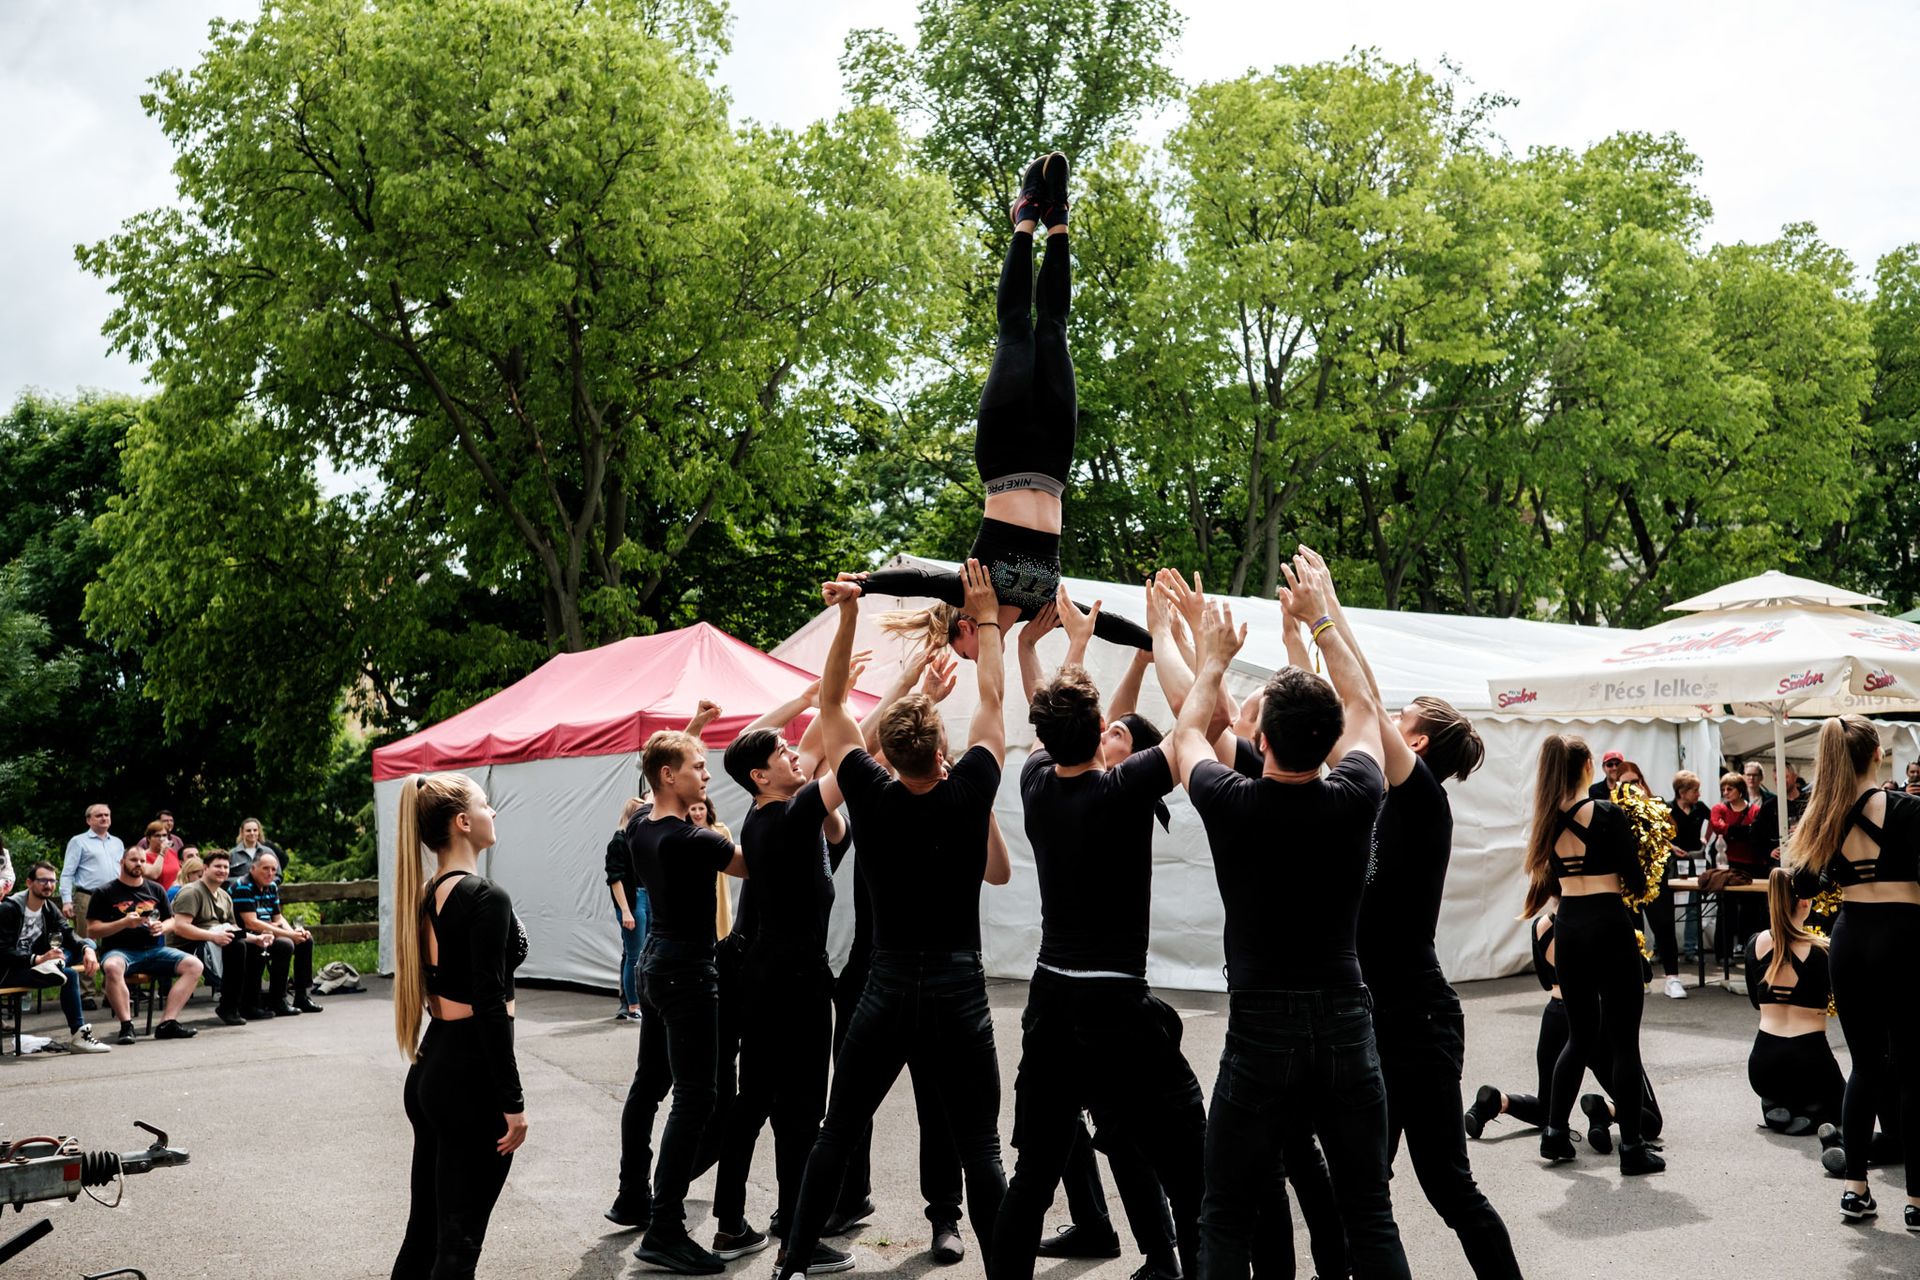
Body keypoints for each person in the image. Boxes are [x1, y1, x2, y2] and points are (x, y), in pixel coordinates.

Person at [1167, 554, 1413, 1279]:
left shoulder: (1230, 801)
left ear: (1263, 742)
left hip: (1261, 1024)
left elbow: (1187, 735)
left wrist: (1213, 658)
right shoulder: (1358, 791)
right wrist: (1320, 620)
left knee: (1224, 1215)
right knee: (1370, 1213)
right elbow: (1363, 703)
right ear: (1328, 740)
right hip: (1344, 1018)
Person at [773, 561, 1012, 1280]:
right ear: (942, 753)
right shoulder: (971, 787)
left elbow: (832, 708)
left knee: (837, 1131)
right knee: (982, 1150)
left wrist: (848, 615)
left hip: (887, 986)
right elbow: (993, 697)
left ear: (892, 756)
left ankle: (790, 1266)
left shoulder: (870, 793)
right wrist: (988, 618)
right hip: (958, 989)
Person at [832, 156, 1149, 661]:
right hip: (1053, 462)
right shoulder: (1038, 607)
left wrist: (864, 584)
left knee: (1016, 330)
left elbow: (920, 580)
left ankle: (1025, 218)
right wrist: (1156, 642)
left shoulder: (973, 589)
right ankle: (1058, 219)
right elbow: (1101, 624)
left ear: (961, 628)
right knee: (1054, 330)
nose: (977, 654)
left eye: (965, 652)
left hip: (1004, 456)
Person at [990, 588, 1206, 1280]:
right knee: (1184, 1164)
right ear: (1100, 729)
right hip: (1115, 1005)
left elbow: (1049, 718)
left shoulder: (1033, 781)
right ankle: (1181, 1262)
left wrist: (1074, 649)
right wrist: (1180, 639)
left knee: (1035, 1172)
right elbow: (1195, 723)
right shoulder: (1125, 788)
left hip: (1052, 999)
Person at [818, 655, 971, 1264]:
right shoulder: (869, 793)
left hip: (930, 967)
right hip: (866, 967)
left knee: (938, 1098)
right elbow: (853, 740)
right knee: (850, 1097)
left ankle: (945, 1215)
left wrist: (921, 699)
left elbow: (875, 739)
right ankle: (848, 1196)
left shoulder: (944, 798)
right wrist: (912, 689)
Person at [713, 662, 865, 1266]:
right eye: (781, 752)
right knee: (799, 1112)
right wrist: (902, 689)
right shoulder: (790, 812)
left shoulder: (768, 812)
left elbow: (792, 747)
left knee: (755, 1102)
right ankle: (795, 1242)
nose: (793, 753)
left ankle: (734, 1225)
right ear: (761, 775)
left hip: (770, 977)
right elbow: (851, 758)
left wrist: (818, 699)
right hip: (791, 984)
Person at [608, 729, 749, 1274]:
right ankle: (665, 1226)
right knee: (697, 1097)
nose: (707, 774)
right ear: (669, 776)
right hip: (687, 973)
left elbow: (656, 774)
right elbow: (755, 863)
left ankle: (635, 1196)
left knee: (652, 1084)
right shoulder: (696, 840)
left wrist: (690, 728)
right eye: (698, 765)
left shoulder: (642, 825)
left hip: (654, 966)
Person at [390, 772, 529, 1279]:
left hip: (433, 1068)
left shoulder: (427, 892)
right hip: (468, 1077)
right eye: (486, 805)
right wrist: (513, 1102)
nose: (494, 813)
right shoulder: (484, 896)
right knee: (458, 1241)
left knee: (426, 1234)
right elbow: (490, 1005)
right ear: (463, 822)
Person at [1783, 715, 1920, 1227]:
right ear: (1876, 755)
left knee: (1864, 1066)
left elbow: (1803, 884)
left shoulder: (1823, 814)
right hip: (1904, 935)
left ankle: (1855, 1189)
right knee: (1912, 1069)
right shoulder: (1907, 808)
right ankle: (1916, 1202)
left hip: (1850, 938)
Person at [1520, 733, 1664, 1174]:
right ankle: (1632, 1148)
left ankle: (1554, 1133)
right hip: (1608, 923)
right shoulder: (1606, 812)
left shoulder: (1545, 819)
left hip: (1570, 926)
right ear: (1586, 767)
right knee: (1624, 1042)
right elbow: (1636, 880)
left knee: (1579, 1036)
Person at [1464, 904, 1664, 1148]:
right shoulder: (1601, 919)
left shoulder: (1541, 925)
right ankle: (1604, 1109)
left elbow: (1545, 980)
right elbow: (1642, 973)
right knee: (1650, 1120)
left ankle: (1498, 1101)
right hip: (1596, 1017)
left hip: (1555, 1015)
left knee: (1548, 1109)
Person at [1745, 868, 1841, 1137]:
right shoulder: (1822, 949)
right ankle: (1812, 1113)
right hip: (1809, 1058)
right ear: (1805, 901)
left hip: (1763, 1061)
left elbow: (1755, 1001)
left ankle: (1774, 1104)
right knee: (1841, 1103)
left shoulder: (1755, 944)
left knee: (1781, 1088)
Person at [87, 844, 202, 1044]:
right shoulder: (104, 892)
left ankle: (167, 1023)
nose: (139, 864)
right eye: (134, 860)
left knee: (195, 965)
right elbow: (92, 930)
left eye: (142, 861)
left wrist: (162, 927)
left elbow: (172, 920)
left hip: (155, 950)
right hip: (120, 951)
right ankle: (126, 1026)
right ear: (122, 862)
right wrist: (123, 923)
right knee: (112, 967)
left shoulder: (155, 889)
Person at [0, 860, 111, 1052]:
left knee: (87, 945)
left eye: (52, 881)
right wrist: (38, 959)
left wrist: (87, 949)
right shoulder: (10, 908)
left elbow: (68, 933)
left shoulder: (49, 908)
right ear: (29, 883)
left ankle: (79, 1038)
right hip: (9, 970)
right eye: (43, 880)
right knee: (70, 973)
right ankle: (55, 965)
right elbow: (2, 950)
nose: (49, 885)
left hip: (38, 966)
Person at [169, 849, 268, 1027]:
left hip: (215, 940)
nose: (222, 870)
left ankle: (249, 1004)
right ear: (205, 868)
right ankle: (228, 1007)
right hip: (187, 946)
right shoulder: (191, 892)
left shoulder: (225, 896)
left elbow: (233, 929)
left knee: (255, 947)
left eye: (225, 867)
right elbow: (180, 927)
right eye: (217, 866)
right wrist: (213, 937)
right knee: (236, 946)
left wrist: (257, 939)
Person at [233, 851, 323, 1016]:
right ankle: (278, 999)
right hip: (249, 936)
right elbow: (251, 922)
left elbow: (278, 917)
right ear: (253, 868)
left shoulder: (272, 886)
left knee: (305, 940)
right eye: (265, 868)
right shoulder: (243, 886)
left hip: (269, 931)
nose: (270, 873)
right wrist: (288, 935)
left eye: (273, 869)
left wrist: (294, 933)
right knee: (285, 944)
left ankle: (301, 996)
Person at [1652, 771, 1712, 999]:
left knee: (1694, 904)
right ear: (1682, 792)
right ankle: (1660, 948)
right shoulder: (1668, 809)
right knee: (1664, 906)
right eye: (1694, 790)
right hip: (1673, 861)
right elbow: (1659, 833)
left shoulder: (1700, 808)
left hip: (1694, 858)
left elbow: (1714, 820)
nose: (1698, 794)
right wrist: (1670, 846)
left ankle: (1690, 948)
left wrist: (1706, 838)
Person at [1710, 771, 1768, 962]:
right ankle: (1723, 953)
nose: (1726, 792)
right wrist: (1743, 831)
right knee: (1726, 909)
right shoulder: (1720, 808)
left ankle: (1750, 950)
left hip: (1753, 864)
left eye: (1730, 788)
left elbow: (1756, 832)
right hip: (1728, 864)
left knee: (1751, 911)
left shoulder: (1754, 810)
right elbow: (1717, 826)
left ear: (1740, 790)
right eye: (1723, 789)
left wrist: (1733, 832)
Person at [607, 796, 650, 1022]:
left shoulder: (640, 841)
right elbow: (615, 878)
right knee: (635, 955)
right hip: (633, 901)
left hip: (647, 897)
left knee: (645, 953)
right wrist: (625, 910)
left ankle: (642, 1001)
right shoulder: (619, 841)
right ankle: (632, 1006)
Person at [59, 802, 123, 931]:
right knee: (86, 938)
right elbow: (67, 874)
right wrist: (66, 901)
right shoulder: (78, 841)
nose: (104, 818)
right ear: (88, 820)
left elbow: (122, 871)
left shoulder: (118, 843)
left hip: (115, 899)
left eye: (107, 815)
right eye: (99, 815)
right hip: (87, 897)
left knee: (115, 937)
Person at [228, 818, 284, 884]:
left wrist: (267, 883)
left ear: (259, 832)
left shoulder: (268, 852)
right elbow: (225, 878)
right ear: (242, 832)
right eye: (248, 831)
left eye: (255, 830)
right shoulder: (232, 854)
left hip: (264, 890)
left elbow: (278, 876)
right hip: (240, 890)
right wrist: (242, 881)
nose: (252, 833)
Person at [135, 820, 181, 893]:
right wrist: (162, 852)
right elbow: (154, 875)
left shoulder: (171, 852)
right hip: (156, 896)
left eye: (164, 835)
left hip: (174, 895)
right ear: (149, 838)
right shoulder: (142, 856)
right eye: (157, 836)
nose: (162, 839)